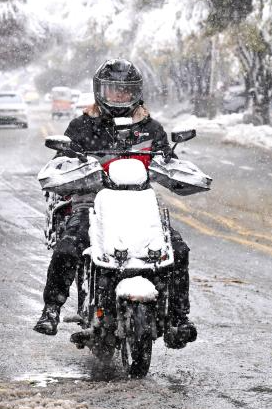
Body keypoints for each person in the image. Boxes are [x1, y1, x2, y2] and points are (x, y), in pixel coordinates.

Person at [33, 58, 197, 346]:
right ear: (100, 92)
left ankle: (178, 318)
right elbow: (62, 160)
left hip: (140, 205)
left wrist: (177, 172)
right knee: (69, 244)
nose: (119, 97)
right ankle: (51, 310)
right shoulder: (82, 126)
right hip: (92, 204)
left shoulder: (151, 129)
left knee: (177, 249)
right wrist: (68, 168)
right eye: (113, 91)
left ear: (136, 93)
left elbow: (168, 160)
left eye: (125, 91)